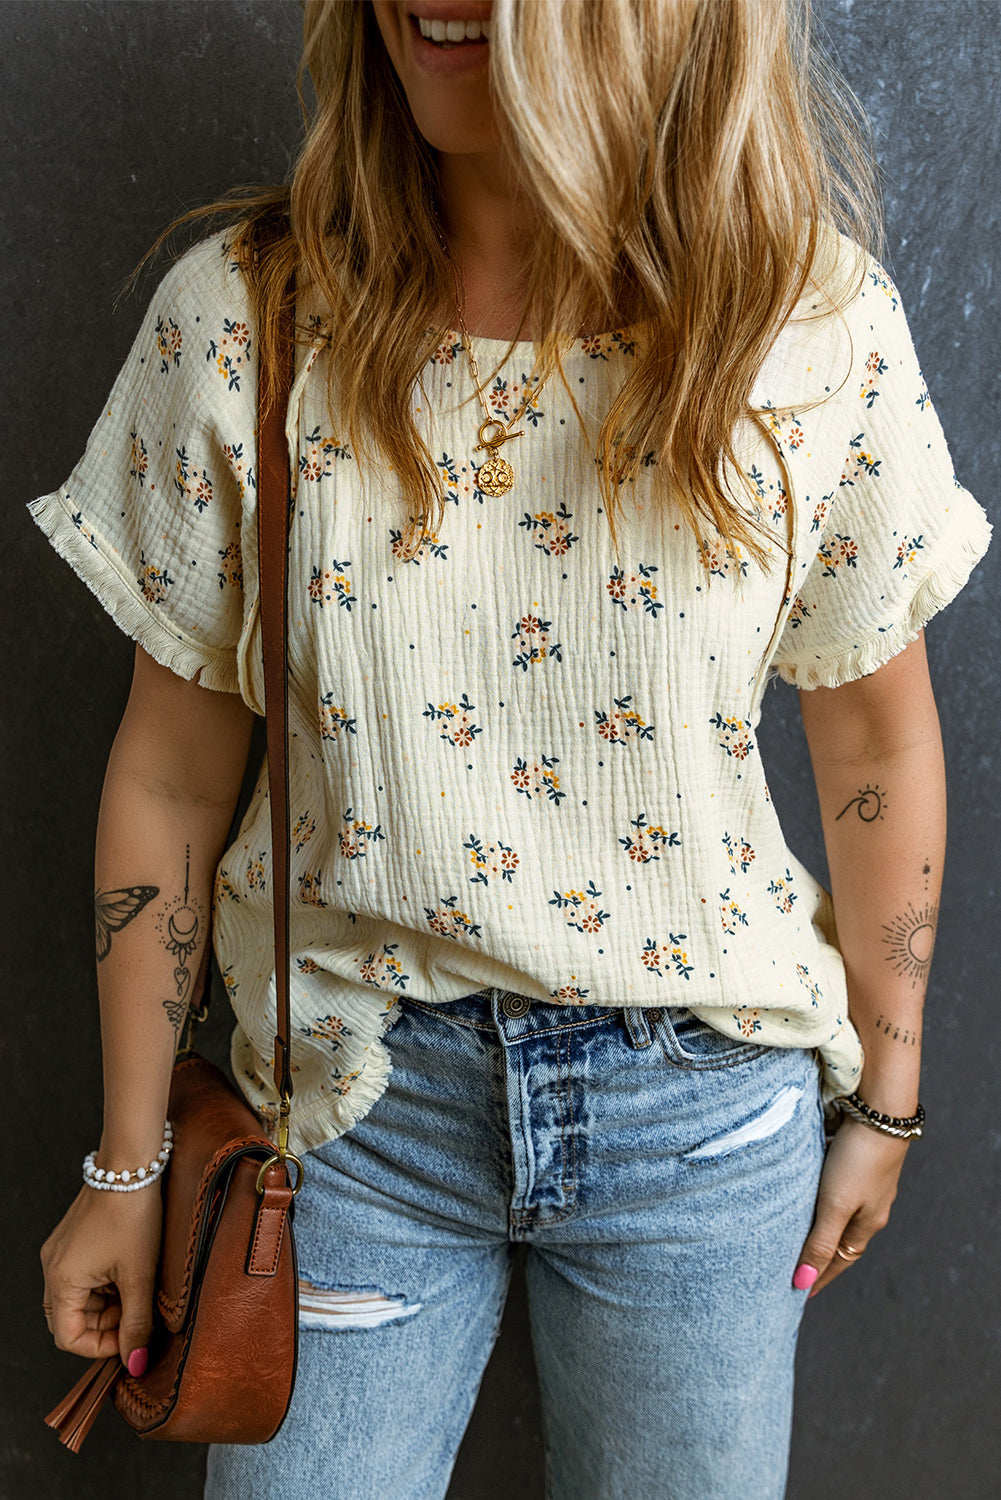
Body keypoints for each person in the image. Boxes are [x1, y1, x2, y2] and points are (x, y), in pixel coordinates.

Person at [33, 1, 991, 1496]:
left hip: (703, 1120)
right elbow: (168, 775)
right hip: (351, 1113)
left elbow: (873, 735)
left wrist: (887, 1093)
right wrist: (127, 1161)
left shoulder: (808, 327)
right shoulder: (249, 316)